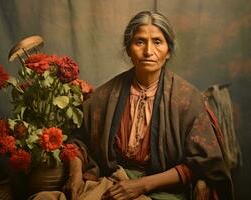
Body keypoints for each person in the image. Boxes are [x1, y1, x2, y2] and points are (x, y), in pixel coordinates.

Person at [61, 10, 233, 200]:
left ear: (168, 51)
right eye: (140, 42)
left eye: (157, 42)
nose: (148, 51)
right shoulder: (106, 95)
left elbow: (203, 163)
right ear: (128, 49)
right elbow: (77, 140)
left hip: (163, 191)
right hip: (112, 181)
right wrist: (75, 175)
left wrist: (141, 185)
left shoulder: (187, 99)